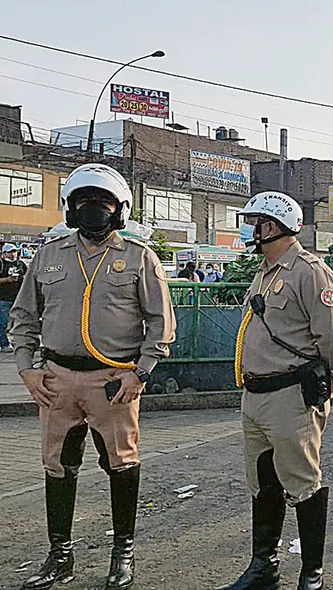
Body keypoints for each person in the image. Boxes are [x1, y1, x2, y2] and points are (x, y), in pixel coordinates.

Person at [9, 163, 176, 590]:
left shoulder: (138, 256)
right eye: (83, 201)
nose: (92, 209)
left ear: (120, 209)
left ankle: (123, 553)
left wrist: (141, 373)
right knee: (57, 466)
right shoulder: (49, 255)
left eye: (102, 202)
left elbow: (161, 323)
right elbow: (24, 317)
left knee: (121, 464)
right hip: (57, 381)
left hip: (114, 383)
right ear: (70, 207)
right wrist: (26, 369)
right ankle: (59, 556)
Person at [220, 191, 333, 590]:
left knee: (301, 482)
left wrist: (331, 377)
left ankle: (312, 574)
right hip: (256, 396)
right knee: (263, 482)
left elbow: (331, 336)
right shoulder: (265, 271)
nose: (250, 231)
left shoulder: (309, 272)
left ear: (273, 226)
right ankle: (264, 568)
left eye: (255, 224)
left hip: (291, 395)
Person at [0, 243, 28, 353]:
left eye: (15, 251)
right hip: (4, 298)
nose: (13, 254)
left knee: (20, 322)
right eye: (10, 252)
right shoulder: (1, 263)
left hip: (19, 298)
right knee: (3, 323)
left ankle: (19, 342)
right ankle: (4, 344)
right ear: (4, 253)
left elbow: (28, 276)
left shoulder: (20, 263)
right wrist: (7, 280)